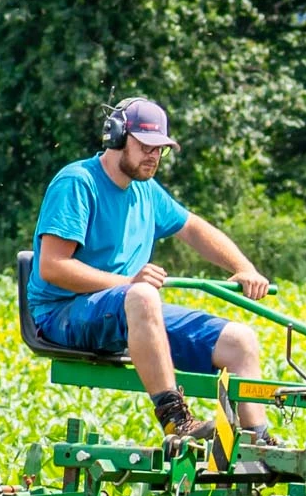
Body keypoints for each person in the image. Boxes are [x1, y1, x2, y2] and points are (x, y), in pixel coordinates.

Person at [25, 97, 277, 450]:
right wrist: (130, 284)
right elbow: (53, 267)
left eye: (160, 150)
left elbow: (193, 229)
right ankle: (176, 419)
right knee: (144, 296)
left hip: (125, 307)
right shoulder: (77, 183)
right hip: (63, 314)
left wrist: (243, 268)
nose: (153, 157)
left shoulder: (146, 190)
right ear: (116, 138)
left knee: (240, 340)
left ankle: (258, 445)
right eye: (146, 147)